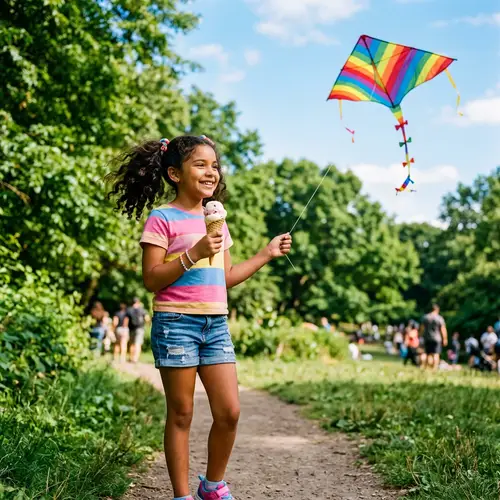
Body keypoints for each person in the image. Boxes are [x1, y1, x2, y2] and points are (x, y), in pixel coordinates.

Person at [106, 135, 292, 500]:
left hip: (215, 324)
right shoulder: (162, 218)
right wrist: (194, 253)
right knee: (181, 414)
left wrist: (266, 253)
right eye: (201, 165)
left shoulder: (218, 219)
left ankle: (212, 485)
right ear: (175, 173)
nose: (212, 172)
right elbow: (151, 279)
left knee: (230, 412)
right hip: (176, 322)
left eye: (215, 165)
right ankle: (181, 495)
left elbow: (224, 278)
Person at [419, 304, 448, 370]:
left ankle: (425, 367)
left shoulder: (425, 317)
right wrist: (445, 339)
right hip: (437, 339)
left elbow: (422, 328)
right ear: (437, 310)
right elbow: (443, 329)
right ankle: (434, 368)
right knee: (436, 354)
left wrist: (420, 335)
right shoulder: (439, 318)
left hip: (427, 338)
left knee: (426, 353)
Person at [127, 297, 150, 363]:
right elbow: (147, 319)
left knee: (131, 343)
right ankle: (135, 359)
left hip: (131, 329)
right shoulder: (142, 310)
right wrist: (148, 325)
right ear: (138, 302)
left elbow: (126, 320)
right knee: (138, 343)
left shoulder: (129, 310)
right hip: (140, 328)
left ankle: (131, 358)